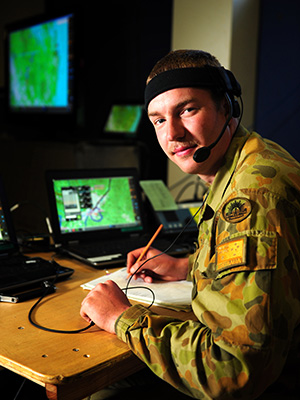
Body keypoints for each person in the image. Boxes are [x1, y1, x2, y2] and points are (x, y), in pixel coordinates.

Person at [80, 50, 300, 399]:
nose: (173, 134)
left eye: (187, 110)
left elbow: (232, 370)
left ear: (227, 108)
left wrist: (121, 317)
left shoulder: (252, 197)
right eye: (158, 120)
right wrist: (185, 267)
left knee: (100, 388)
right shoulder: (251, 159)